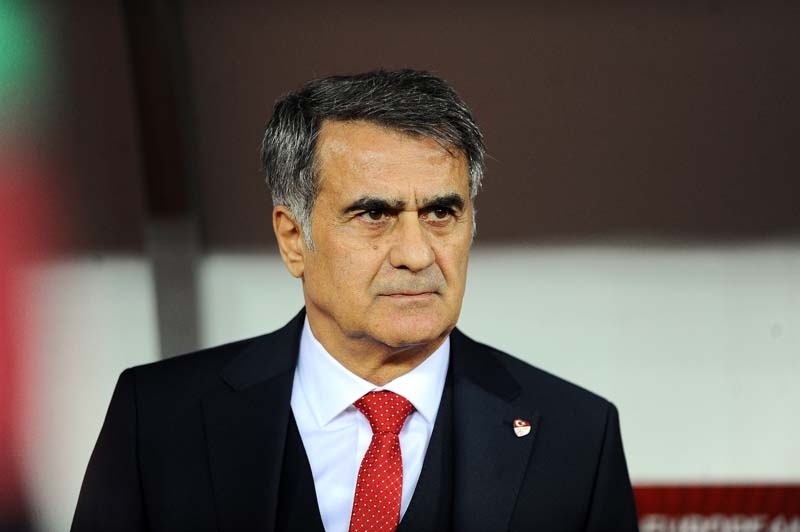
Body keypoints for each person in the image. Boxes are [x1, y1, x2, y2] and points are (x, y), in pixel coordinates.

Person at [72, 69, 639, 532]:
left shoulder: (576, 438)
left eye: (441, 212)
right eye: (374, 214)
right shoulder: (158, 419)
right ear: (293, 239)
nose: (416, 254)